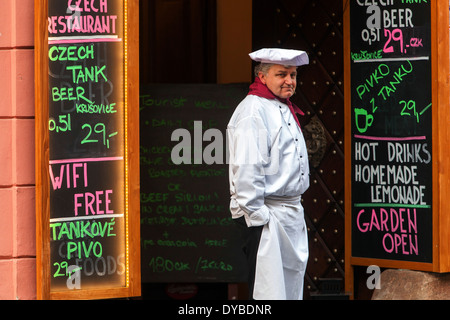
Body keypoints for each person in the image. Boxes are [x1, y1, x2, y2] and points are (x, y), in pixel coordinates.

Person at [227, 48, 310, 300]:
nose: (289, 81)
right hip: (267, 217)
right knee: (268, 294)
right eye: (281, 74)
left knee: (289, 289)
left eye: (293, 75)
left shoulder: (282, 106)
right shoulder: (253, 111)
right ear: (262, 77)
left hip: (289, 215)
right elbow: (247, 168)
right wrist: (258, 216)